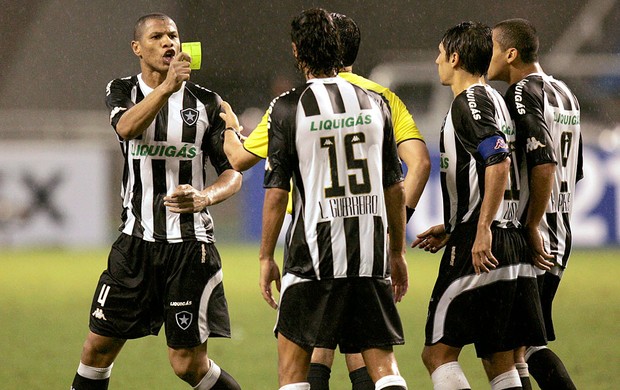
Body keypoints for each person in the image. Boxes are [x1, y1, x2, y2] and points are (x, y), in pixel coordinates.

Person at [222, 15, 429, 388]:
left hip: (312, 257)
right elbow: (394, 186)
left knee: (293, 367)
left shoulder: (287, 108)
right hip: (368, 252)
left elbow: (276, 191)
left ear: (297, 52)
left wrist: (266, 257)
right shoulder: (374, 103)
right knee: (382, 363)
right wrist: (395, 251)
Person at [70, 13, 242, 390]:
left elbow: (233, 173)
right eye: (157, 37)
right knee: (96, 348)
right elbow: (126, 128)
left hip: (189, 247)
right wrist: (166, 88)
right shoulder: (122, 90)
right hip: (134, 244)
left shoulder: (208, 104)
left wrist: (204, 196)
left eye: (174, 36)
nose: (169, 43)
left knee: (187, 366)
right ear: (137, 48)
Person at [412, 21, 546, 390]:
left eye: (440, 53)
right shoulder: (496, 102)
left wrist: (480, 227)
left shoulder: (468, 102)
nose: (436, 59)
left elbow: (498, 159)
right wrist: (455, 224)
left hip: (482, 244)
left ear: (455, 58)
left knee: (437, 355)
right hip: (510, 241)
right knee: (499, 357)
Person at [488, 18, 583, 390]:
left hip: (536, 237)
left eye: (493, 49)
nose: (487, 56)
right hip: (561, 230)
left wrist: (530, 225)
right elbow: (573, 172)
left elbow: (544, 162)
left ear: (510, 54)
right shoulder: (566, 94)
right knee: (521, 344)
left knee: (515, 348)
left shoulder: (520, 94)